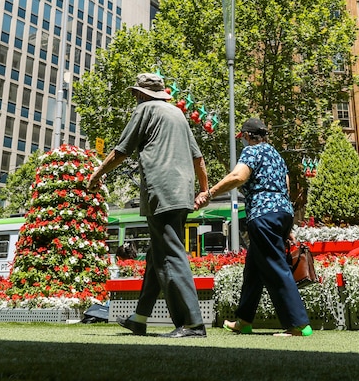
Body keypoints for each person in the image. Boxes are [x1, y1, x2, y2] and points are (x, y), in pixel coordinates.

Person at [88, 72, 209, 338]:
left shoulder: (145, 109)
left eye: (135, 93)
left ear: (143, 94)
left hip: (161, 192)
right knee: (158, 254)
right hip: (182, 193)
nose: (134, 97)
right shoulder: (178, 114)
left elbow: (121, 150)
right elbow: (198, 157)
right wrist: (204, 190)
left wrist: (97, 174)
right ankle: (139, 318)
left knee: (172, 256)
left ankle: (192, 324)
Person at [195, 117, 312, 337]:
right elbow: (286, 183)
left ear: (248, 136)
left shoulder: (252, 151)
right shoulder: (276, 155)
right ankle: (244, 321)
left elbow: (238, 176)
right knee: (254, 270)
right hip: (283, 212)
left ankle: (298, 325)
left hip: (262, 215)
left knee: (276, 267)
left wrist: (210, 193)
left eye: (243, 138)